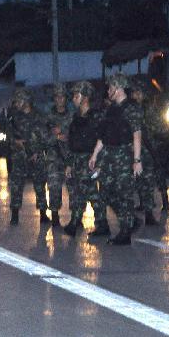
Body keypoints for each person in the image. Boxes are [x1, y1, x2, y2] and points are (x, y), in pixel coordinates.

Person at [88, 73, 143, 245]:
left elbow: (137, 135)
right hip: (109, 156)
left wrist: (137, 160)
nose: (109, 90)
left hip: (124, 155)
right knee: (106, 193)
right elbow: (103, 136)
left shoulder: (131, 109)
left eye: (111, 87)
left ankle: (125, 233)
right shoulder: (110, 109)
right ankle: (130, 221)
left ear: (118, 88)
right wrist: (95, 155)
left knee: (124, 194)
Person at [63, 81, 105, 237]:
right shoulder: (76, 117)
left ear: (85, 97)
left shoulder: (96, 117)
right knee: (82, 192)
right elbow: (72, 142)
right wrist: (69, 164)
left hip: (90, 159)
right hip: (77, 160)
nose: (74, 99)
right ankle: (77, 222)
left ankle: (97, 223)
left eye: (77, 95)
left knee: (89, 192)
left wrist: (98, 163)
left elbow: (102, 140)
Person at [5, 88, 49, 225]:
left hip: (36, 155)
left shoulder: (39, 116)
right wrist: (15, 141)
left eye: (19, 100)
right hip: (19, 156)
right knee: (16, 185)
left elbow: (46, 137)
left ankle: (43, 214)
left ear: (26, 101)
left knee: (40, 185)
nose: (16, 103)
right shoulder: (14, 117)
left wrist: (38, 151)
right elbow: (9, 136)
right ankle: (15, 215)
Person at [128, 78, 162, 227]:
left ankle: (149, 214)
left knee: (148, 183)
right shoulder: (129, 110)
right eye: (135, 92)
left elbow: (161, 127)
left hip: (148, 151)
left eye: (139, 92)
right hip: (133, 151)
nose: (137, 95)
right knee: (130, 184)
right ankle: (129, 216)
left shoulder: (150, 110)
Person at [44, 83, 72, 228]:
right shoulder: (48, 117)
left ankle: (76, 217)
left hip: (70, 156)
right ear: (54, 99)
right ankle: (54, 216)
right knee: (54, 186)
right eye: (57, 97)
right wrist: (56, 137)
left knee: (73, 187)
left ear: (66, 98)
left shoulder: (72, 115)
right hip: (54, 157)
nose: (59, 99)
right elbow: (44, 139)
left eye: (62, 97)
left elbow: (78, 135)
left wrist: (65, 135)